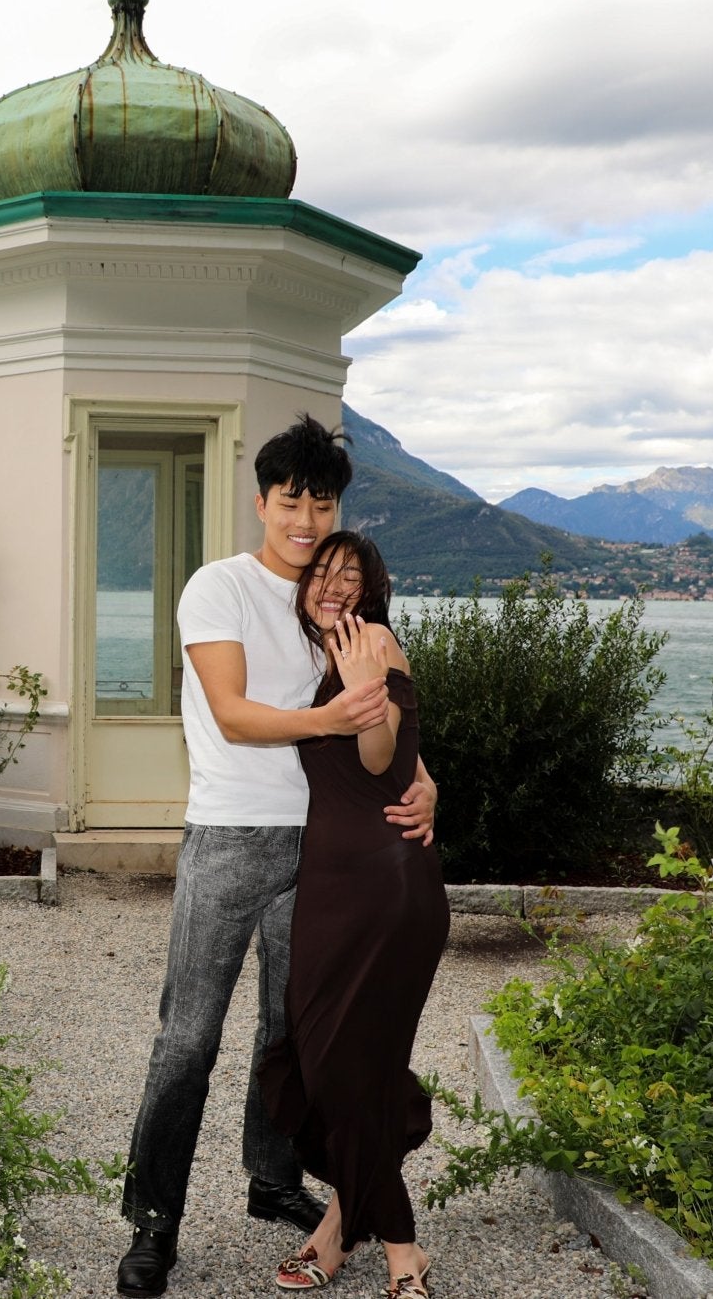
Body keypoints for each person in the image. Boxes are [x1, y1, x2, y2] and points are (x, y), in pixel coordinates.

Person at [117, 418, 439, 1299]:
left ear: (337, 506)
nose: (304, 516)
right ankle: (154, 1222)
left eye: (321, 499)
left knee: (293, 1034)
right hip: (230, 833)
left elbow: (387, 706)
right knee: (189, 1038)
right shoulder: (218, 587)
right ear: (261, 501)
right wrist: (330, 722)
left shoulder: (338, 605)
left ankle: (272, 1178)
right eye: (289, 498)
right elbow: (232, 712)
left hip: (331, 848)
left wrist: (428, 781)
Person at [255, 531, 445, 1297]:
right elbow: (408, 762)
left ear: (370, 589)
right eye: (322, 571)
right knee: (337, 1061)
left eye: (350, 575)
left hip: (384, 892)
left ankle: (401, 1255)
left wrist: (362, 699)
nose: (332, 583)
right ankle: (337, 1229)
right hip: (337, 885)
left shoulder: (368, 645)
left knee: (346, 1065)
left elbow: (375, 756)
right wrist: (429, 777)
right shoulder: (330, 650)